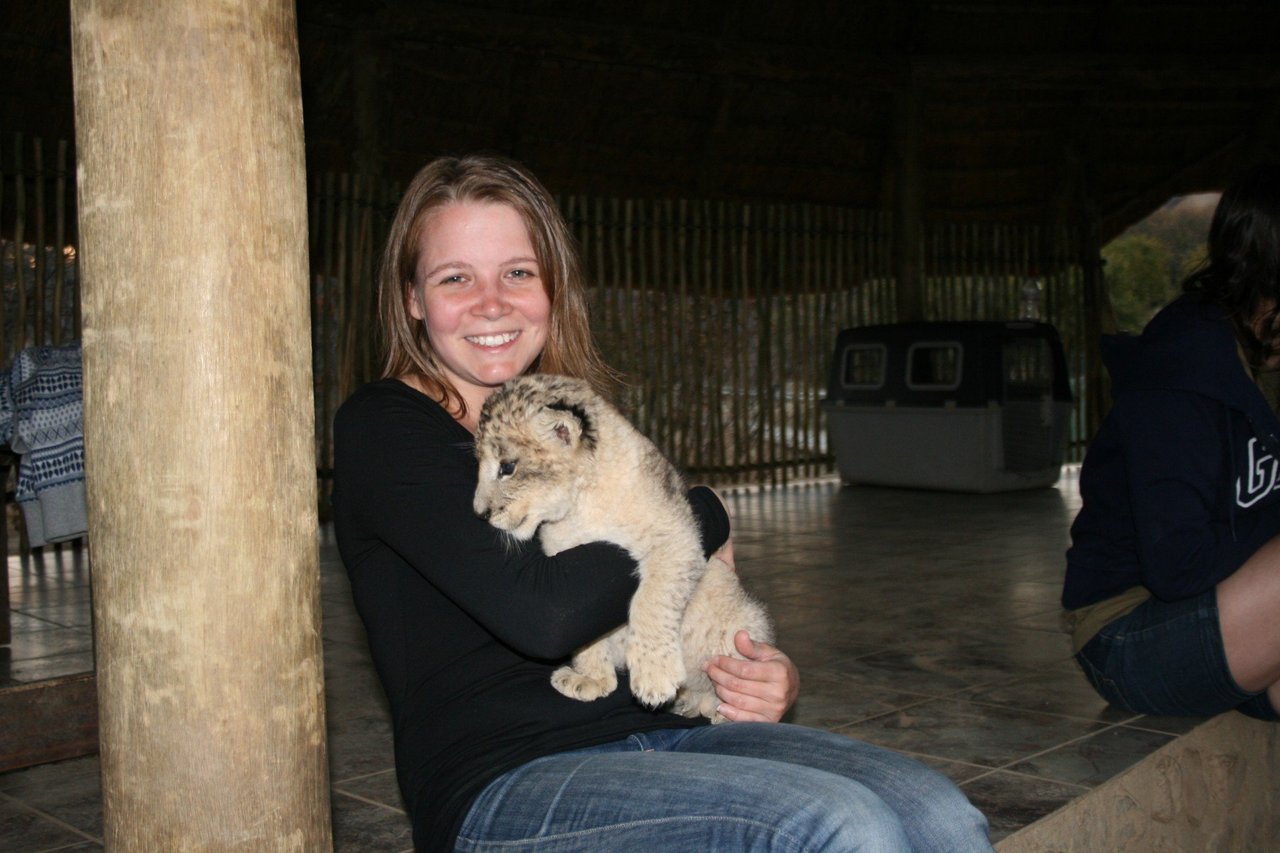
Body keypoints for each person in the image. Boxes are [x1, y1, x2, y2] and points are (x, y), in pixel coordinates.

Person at [332, 153, 994, 852]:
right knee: (838, 824)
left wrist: (752, 672)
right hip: (506, 778)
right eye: (455, 277)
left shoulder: (569, 416)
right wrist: (702, 513)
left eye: (518, 272)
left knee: (940, 815)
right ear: (412, 297)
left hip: (667, 732)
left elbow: (660, 595)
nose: (492, 301)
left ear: (553, 288)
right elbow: (546, 611)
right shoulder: (385, 427)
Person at [1063, 162, 1280, 723]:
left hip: (1239, 618)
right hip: (1130, 635)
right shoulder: (1183, 370)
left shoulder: (1268, 363)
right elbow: (1177, 566)